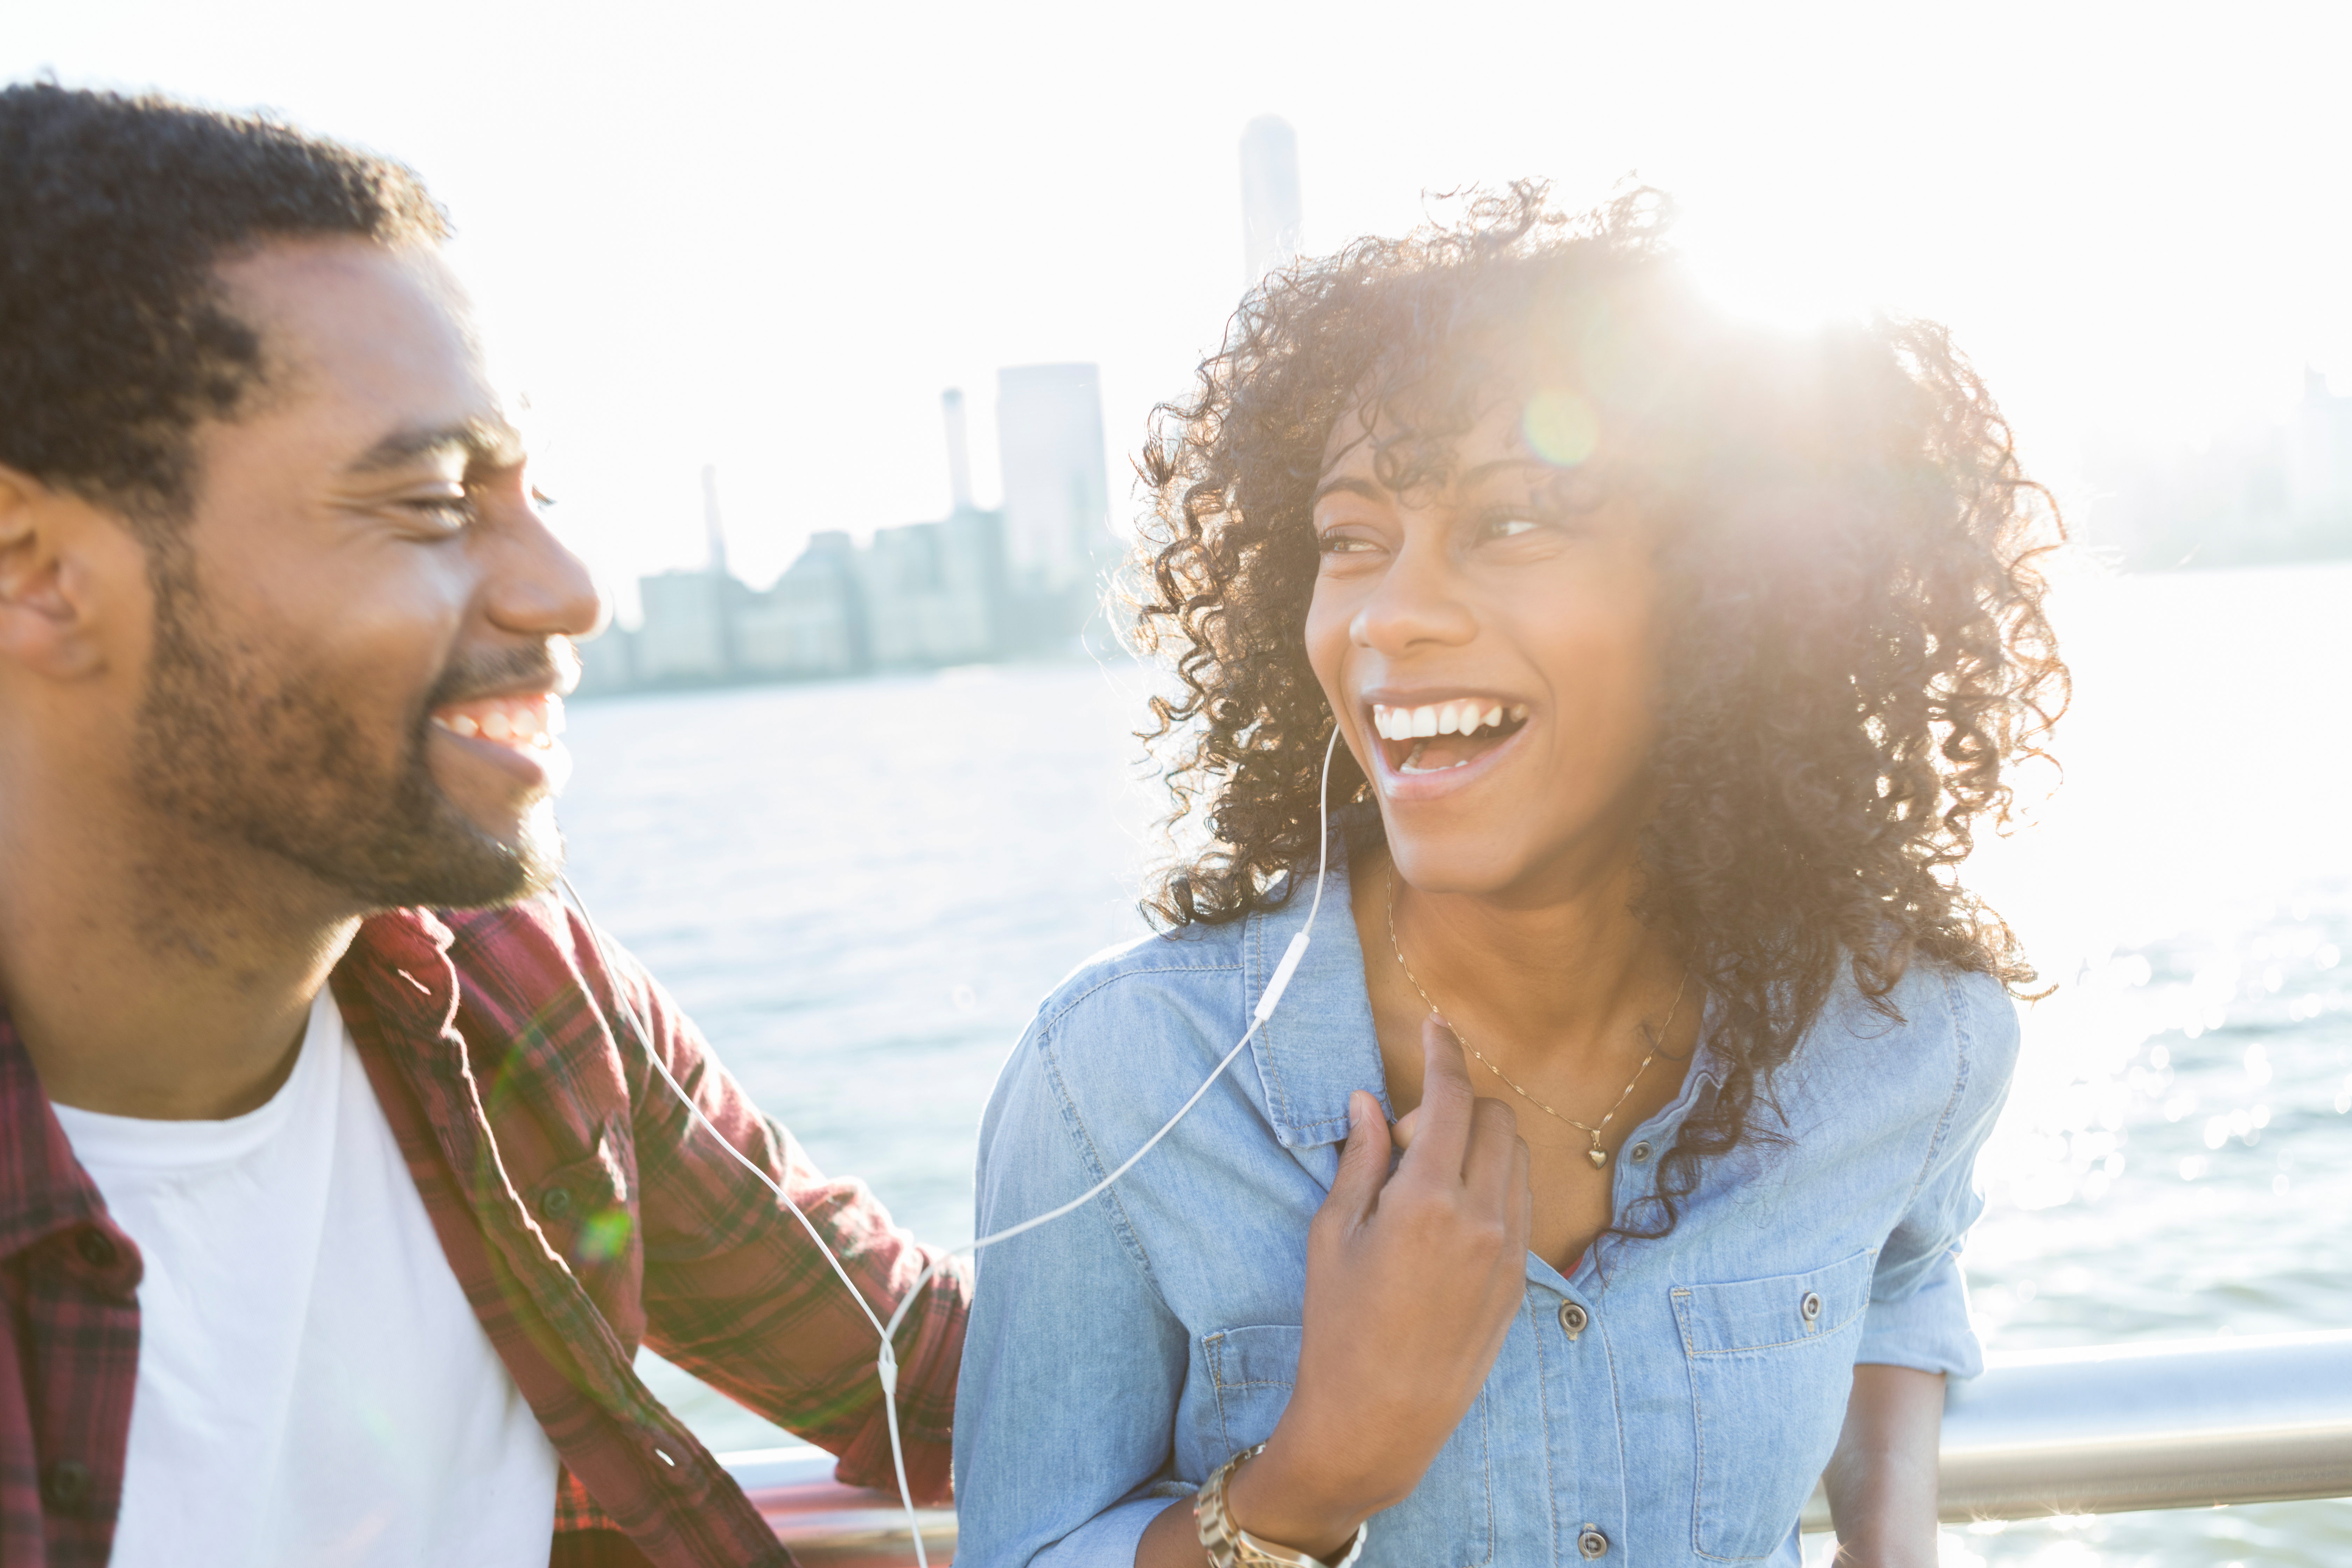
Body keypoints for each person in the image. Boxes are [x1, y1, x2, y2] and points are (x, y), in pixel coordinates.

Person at [954, 186, 2064, 1567]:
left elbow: (1902, 1266)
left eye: (1516, 522)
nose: (1391, 614)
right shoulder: (1121, 1080)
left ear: (1733, 600)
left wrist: (1887, 1537)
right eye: (1351, 539)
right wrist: (1310, 1479)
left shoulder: (1915, 1035)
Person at [0, 84, 965, 1568]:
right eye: (437, 499)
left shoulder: (518, 991)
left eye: (535, 490)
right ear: (35, 568)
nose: (569, 589)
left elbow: (922, 1369)